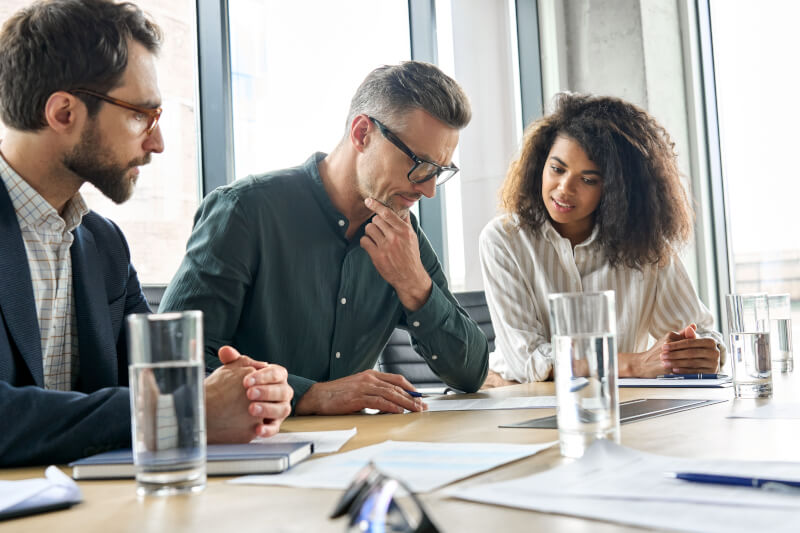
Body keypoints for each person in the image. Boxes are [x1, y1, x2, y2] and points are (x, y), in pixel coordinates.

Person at [0, 0, 291, 467]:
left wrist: (250, 392)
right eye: (141, 114)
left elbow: (156, 381)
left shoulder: (104, 245)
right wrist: (186, 409)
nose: (158, 142)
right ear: (63, 113)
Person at [160, 61, 489, 415]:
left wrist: (414, 284)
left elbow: (470, 374)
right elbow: (172, 359)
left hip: (356, 456)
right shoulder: (245, 211)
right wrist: (312, 395)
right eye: (419, 165)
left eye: (439, 172)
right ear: (362, 133)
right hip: (253, 454)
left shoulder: (402, 235)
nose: (428, 191)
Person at [479, 93, 724, 386]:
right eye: (557, 169)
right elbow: (528, 361)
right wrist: (633, 364)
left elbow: (703, 334)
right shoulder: (503, 239)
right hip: (519, 398)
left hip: (619, 404)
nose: (564, 188)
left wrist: (700, 352)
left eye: (588, 180)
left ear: (616, 190)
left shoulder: (646, 247)